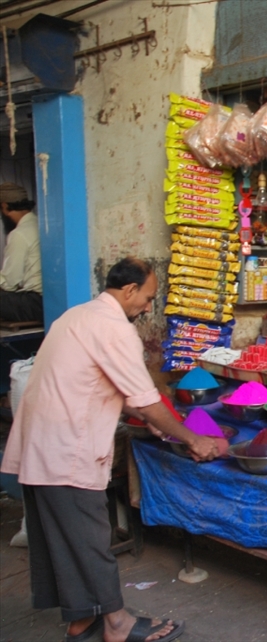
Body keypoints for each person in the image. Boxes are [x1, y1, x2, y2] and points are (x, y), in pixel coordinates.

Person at [0, 257, 220, 642]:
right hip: (66, 448)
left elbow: (102, 383)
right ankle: (117, 625)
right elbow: (147, 399)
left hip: (42, 442)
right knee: (88, 539)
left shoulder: (78, 316)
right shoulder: (115, 329)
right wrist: (192, 438)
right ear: (129, 290)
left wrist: (144, 414)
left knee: (63, 540)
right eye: (148, 298)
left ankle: (82, 622)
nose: (149, 307)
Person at [0, 182, 43, 323]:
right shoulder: (40, 225)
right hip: (45, 300)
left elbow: (10, 282)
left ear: (4, 207)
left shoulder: (19, 234)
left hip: (34, 303)